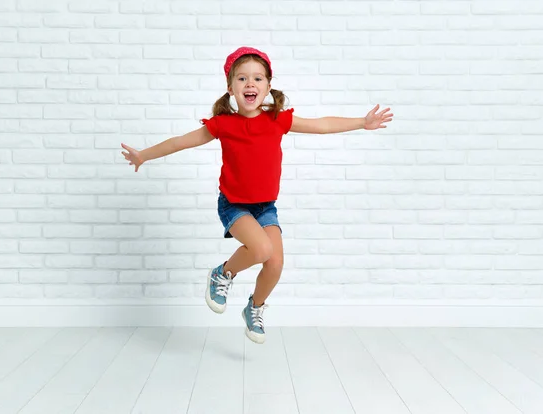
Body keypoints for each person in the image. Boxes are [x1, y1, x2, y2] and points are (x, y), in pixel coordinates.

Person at [121, 46, 393, 344]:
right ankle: (222, 273)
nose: (250, 84)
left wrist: (361, 123)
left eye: (257, 78)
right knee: (262, 250)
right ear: (230, 88)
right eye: (242, 78)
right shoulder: (223, 124)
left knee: (275, 263)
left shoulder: (276, 119)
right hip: (234, 206)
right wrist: (143, 155)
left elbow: (322, 125)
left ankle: (255, 307)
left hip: (265, 208)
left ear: (267, 86)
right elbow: (179, 143)